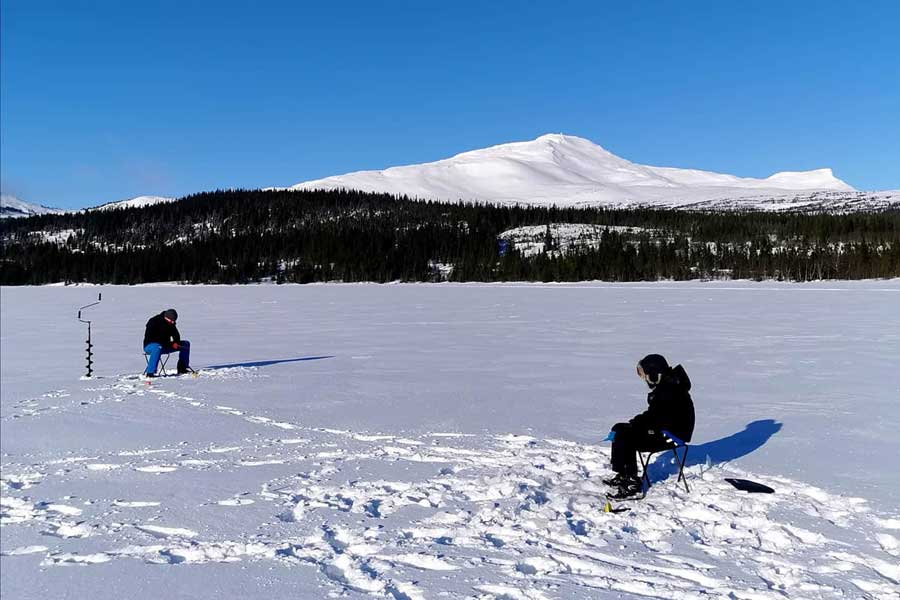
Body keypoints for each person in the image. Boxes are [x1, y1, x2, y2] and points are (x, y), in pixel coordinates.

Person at [604, 354, 695, 499]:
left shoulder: (670, 389)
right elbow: (655, 415)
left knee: (626, 436)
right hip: (666, 429)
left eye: (646, 376)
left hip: (673, 435)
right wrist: (635, 423)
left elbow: (658, 418)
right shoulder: (668, 385)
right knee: (620, 429)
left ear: (654, 375)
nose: (645, 380)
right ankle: (622, 474)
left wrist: (636, 425)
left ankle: (632, 482)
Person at [143, 308, 192, 377]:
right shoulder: (153, 322)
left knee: (185, 344)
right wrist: (170, 344)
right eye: (171, 321)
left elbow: (176, 335)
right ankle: (150, 373)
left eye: (174, 321)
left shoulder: (171, 323)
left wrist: (176, 343)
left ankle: (182, 368)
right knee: (157, 347)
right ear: (166, 318)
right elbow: (153, 338)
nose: (173, 323)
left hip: (165, 345)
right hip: (151, 345)